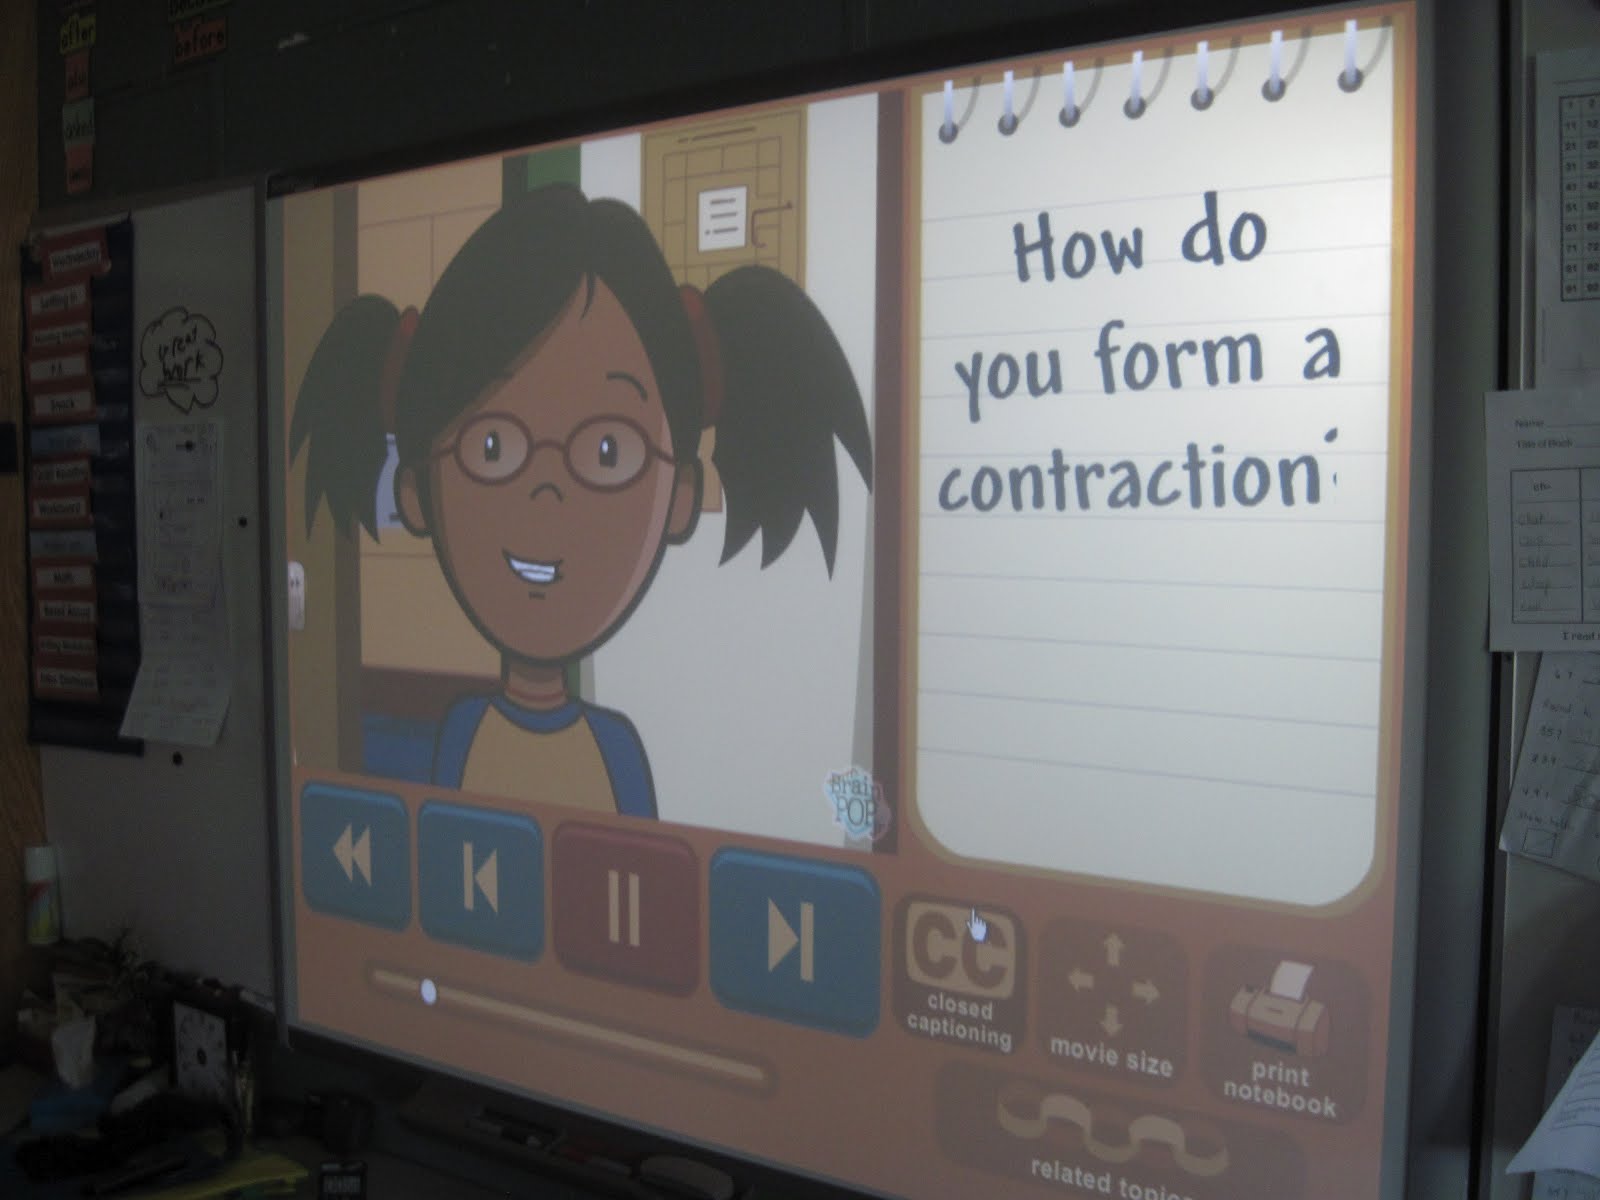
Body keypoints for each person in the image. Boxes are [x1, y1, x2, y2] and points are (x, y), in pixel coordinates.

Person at [291, 181, 872, 818]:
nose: (546, 494)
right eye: (492, 446)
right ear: (417, 493)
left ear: (679, 497)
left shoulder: (616, 749)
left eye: (608, 451)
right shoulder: (461, 729)